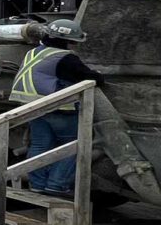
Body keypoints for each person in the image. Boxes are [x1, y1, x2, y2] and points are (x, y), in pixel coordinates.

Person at [11, 18, 106, 197]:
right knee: (72, 146)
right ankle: (57, 185)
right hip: (58, 108)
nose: (75, 45)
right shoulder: (65, 57)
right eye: (74, 42)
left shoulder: (33, 52)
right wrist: (99, 76)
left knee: (40, 145)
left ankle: (37, 185)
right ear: (67, 40)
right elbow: (90, 78)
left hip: (32, 107)